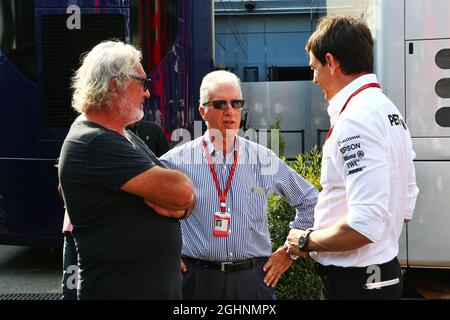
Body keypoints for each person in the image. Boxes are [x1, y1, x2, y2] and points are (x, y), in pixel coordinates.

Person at [285, 15, 419, 300]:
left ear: (331, 62)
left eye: (314, 67)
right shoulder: (387, 111)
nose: (313, 78)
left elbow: (364, 225)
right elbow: (404, 209)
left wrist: (306, 240)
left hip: (356, 284)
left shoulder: (356, 119)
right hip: (379, 276)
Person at [159, 70, 319, 300]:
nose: (229, 111)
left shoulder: (262, 159)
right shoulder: (175, 162)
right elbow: (146, 214)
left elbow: (310, 200)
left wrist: (289, 252)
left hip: (253, 281)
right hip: (197, 282)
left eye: (236, 103)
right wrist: (165, 254)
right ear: (203, 111)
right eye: (220, 104)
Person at [58, 40, 195, 300]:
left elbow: (184, 199)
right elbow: (181, 191)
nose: (147, 93)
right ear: (114, 84)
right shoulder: (94, 140)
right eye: (142, 83)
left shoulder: (122, 135)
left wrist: (184, 206)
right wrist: (182, 202)